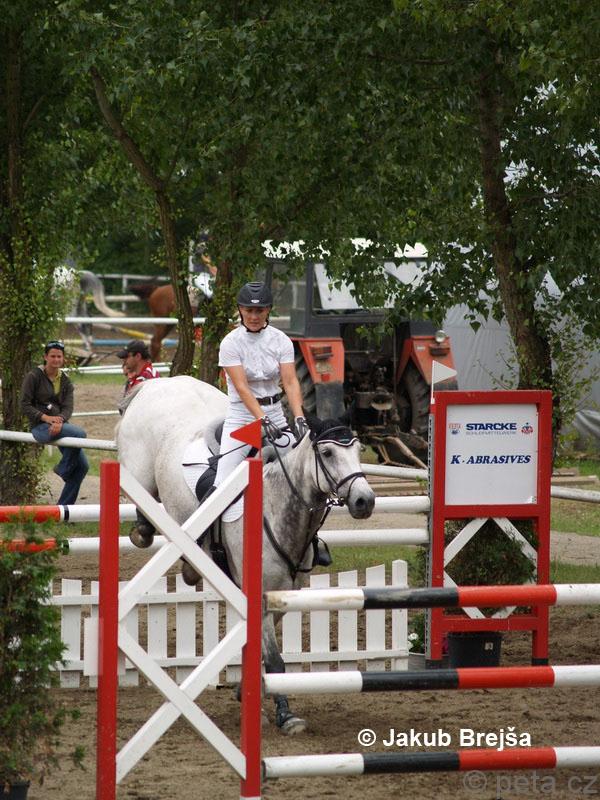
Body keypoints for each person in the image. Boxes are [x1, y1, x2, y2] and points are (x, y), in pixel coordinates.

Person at [214, 281, 308, 495]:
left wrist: (299, 418)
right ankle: (211, 510)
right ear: (240, 310)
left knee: (301, 471)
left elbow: (290, 382)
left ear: (268, 310)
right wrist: (262, 419)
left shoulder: (281, 340)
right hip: (242, 417)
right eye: (249, 310)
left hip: (275, 414)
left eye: (259, 310)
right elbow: (242, 387)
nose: (254, 316)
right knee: (223, 482)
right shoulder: (230, 343)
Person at [21, 340, 89, 505]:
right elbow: (24, 404)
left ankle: (64, 510)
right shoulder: (33, 376)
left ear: (63, 358)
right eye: (53, 356)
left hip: (60, 426)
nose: (56, 359)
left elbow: (68, 407)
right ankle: (64, 469)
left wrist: (60, 421)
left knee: (83, 467)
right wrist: (46, 418)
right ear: (45, 357)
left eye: (59, 356)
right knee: (80, 434)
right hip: (39, 426)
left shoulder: (65, 380)